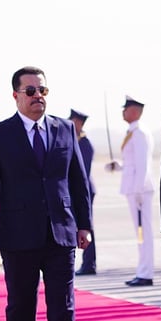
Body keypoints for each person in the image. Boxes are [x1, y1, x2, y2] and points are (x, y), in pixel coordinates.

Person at [0, 66, 92, 321]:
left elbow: (77, 181)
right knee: (21, 306)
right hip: (17, 235)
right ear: (16, 96)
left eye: (42, 90)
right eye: (30, 91)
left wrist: (84, 225)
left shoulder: (64, 129)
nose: (37, 96)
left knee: (63, 306)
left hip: (60, 233)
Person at [108, 96, 156, 286]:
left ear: (135, 111)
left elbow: (143, 165)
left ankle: (146, 272)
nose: (123, 112)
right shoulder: (132, 132)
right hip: (135, 188)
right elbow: (132, 163)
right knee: (140, 232)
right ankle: (142, 270)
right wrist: (118, 166)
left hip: (140, 191)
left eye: (126, 108)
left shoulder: (139, 132)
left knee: (143, 232)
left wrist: (138, 190)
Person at [70, 110, 98, 276]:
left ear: (79, 123)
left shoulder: (85, 144)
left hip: (84, 191)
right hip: (76, 191)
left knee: (87, 227)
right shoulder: (74, 141)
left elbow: (82, 173)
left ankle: (89, 263)